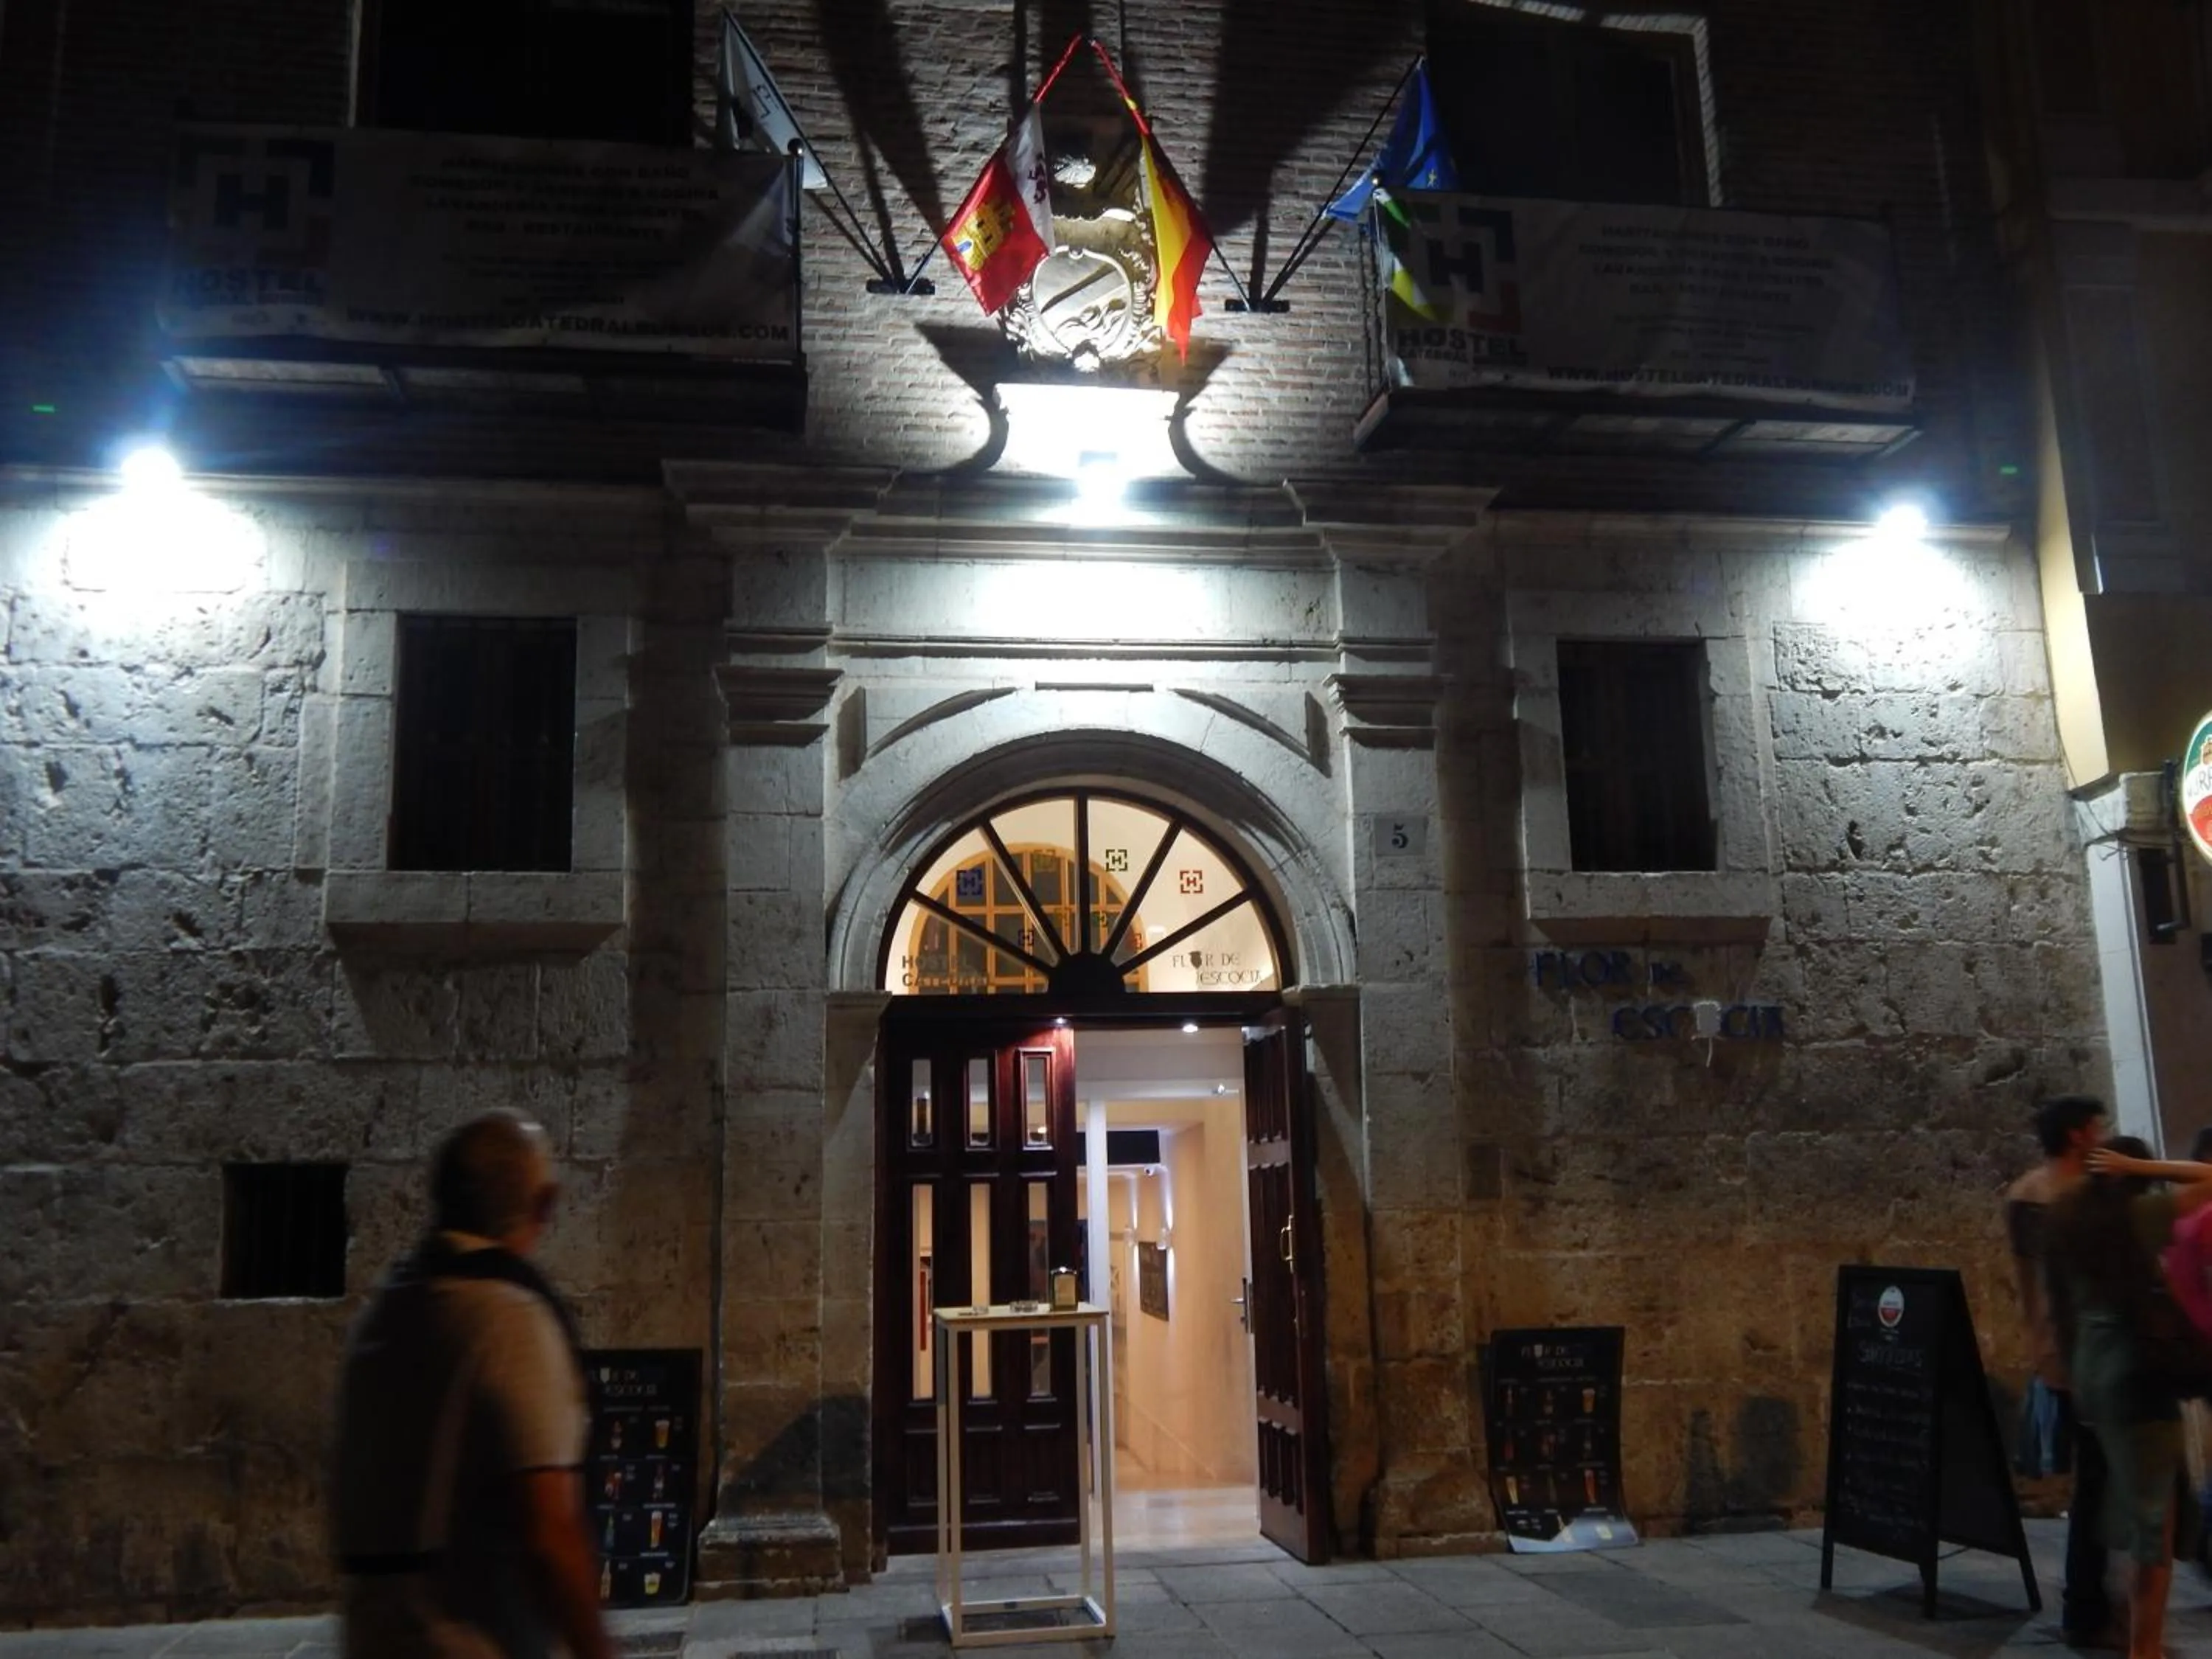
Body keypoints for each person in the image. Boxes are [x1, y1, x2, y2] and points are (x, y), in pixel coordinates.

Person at [333, 1112, 611, 1659]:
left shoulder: (388, 1306)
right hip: (469, 1635)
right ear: (545, 1204)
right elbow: (550, 1529)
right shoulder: (506, 1317)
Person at [2048, 1135, 2212, 1659]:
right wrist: (2140, 1165)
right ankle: (2146, 1648)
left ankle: (2124, 1625)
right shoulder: (2138, 1218)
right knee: (2153, 1526)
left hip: (2093, 1368)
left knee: (2127, 1503)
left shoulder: (2070, 1221)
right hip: (2133, 1371)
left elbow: (2059, 1307)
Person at [2006, 1093, 2115, 1646]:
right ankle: (2087, 1609)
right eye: (2098, 1128)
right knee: (2099, 1482)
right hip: (2084, 1353)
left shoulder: (2029, 1194)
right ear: (2078, 1135)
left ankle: (2094, 1605)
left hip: (2068, 1352)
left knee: (2098, 1480)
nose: (2104, 1137)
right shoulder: (2061, 1197)